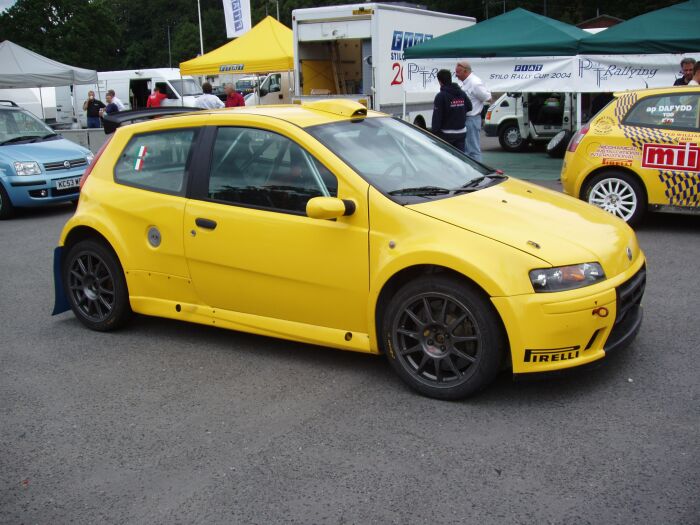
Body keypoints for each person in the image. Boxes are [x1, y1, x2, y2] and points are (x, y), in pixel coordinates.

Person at [455, 60, 491, 162]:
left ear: (465, 71)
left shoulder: (475, 83)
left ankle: (478, 173)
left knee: (473, 150)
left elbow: (488, 98)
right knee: (466, 150)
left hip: (472, 119)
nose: (456, 75)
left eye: (458, 72)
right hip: (466, 119)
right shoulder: (466, 82)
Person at [430, 69, 470, 151]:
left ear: (440, 81)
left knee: (446, 159)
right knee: (460, 158)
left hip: (446, 134)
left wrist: (434, 132)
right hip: (461, 132)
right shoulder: (461, 93)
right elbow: (469, 107)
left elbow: (437, 117)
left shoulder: (441, 96)